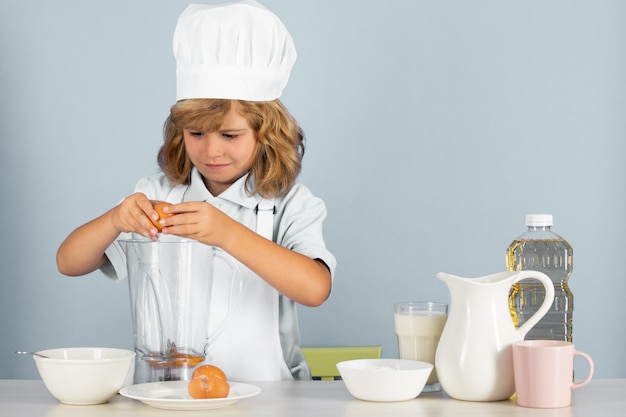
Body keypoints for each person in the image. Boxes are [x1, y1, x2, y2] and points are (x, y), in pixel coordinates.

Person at [56, 0, 336, 381]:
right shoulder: (160, 195)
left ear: (266, 133)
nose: (211, 150)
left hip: (273, 397)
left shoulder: (291, 204)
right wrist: (115, 219)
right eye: (197, 134)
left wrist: (226, 233)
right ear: (179, 132)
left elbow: (316, 289)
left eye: (230, 135)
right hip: (175, 392)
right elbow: (68, 263)